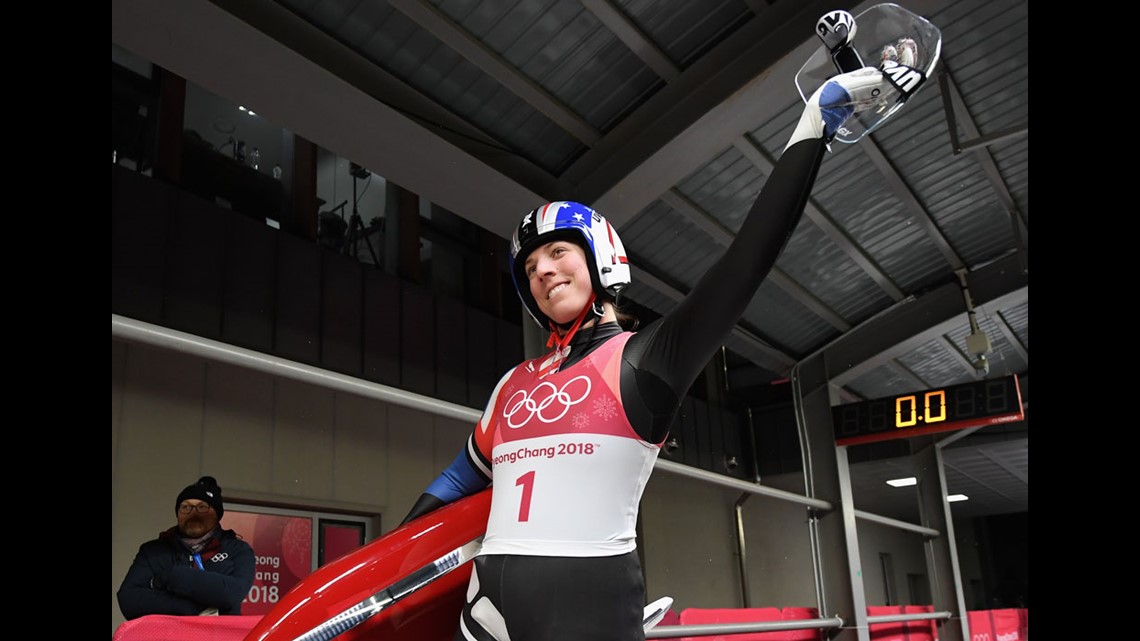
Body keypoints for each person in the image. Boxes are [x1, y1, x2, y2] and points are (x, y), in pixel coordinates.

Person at [399, 65, 900, 641]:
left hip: (588, 607)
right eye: (531, 267)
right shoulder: (513, 383)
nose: (542, 270)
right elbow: (462, 476)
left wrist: (813, 126)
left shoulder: (646, 359)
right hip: (486, 605)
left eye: (558, 252)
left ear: (601, 258)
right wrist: (388, 560)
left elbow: (745, 262)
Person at [117, 476, 255, 619]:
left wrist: (172, 576)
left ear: (217, 514)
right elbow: (129, 600)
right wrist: (191, 606)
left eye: (202, 507)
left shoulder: (237, 550)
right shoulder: (153, 551)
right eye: (185, 507)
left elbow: (231, 594)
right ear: (177, 514)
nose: (193, 513)